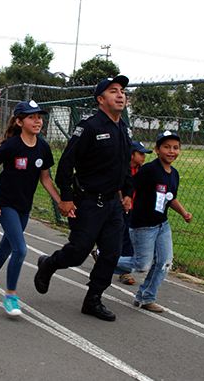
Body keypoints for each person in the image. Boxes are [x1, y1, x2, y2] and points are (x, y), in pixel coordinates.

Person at [33, 76, 133, 322]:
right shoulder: (89, 127)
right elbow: (66, 165)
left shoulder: (123, 128)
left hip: (113, 205)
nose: (120, 95)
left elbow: (125, 165)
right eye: (113, 91)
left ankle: (93, 299)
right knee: (78, 253)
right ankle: (49, 264)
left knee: (111, 254)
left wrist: (128, 193)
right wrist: (65, 199)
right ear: (101, 99)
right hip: (88, 202)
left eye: (122, 91)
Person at [0, 100, 63, 316]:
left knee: (6, 248)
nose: (37, 121)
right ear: (19, 121)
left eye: (39, 117)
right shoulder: (11, 146)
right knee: (20, 249)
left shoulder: (43, 147)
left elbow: (45, 179)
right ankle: (11, 296)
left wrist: (59, 202)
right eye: (31, 117)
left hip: (24, 206)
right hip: (5, 204)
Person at [126, 130, 192, 313]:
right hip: (143, 225)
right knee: (142, 265)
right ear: (157, 150)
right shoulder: (149, 170)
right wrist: (127, 198)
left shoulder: (174, 174)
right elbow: (130, 184)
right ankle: (105, 258)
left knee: (164, 262)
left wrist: (184, 213)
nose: (171, 151)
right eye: (166, 147)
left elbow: (170, 198)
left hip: (162, 225)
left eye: (175, 148)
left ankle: (146, 297)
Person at [92, 141, 153, 286]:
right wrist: (122, 201)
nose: (143, 157)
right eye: (140, 154)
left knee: (128, 237)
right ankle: (122, 270)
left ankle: (106, 257)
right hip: (119, 207)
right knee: (122, 236)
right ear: (131, 154)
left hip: (134, 209)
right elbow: (118, 186)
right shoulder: (122, 168)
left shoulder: (141, 170)